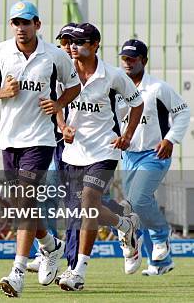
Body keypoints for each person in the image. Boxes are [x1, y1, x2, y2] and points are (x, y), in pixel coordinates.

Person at [0, 1, 81, 297]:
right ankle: (50, 245)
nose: (21, 28)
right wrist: (1, 93)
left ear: (38, 24)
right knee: (24, 204)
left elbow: (74, 87)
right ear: (11, 26)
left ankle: (17, 272)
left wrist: (58, 104)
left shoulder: (55, 56)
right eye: (16, 22)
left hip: (41, 139)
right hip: (9, 139)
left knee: (24, 196)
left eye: (26, 22)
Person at [57, 23, 144, 291]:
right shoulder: (64, 72)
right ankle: (123, 223)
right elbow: (57, 102)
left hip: (105, 149)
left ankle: (78, 271)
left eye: (80, 42)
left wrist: (127, 135)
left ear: (95, 45)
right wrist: (63, 127)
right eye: (71, 42)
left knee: (88, 201)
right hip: (74, 151)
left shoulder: (113, 75)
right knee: (84, 209)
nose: (73, 46)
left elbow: (137, 103)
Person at [118, 39, 190, 276]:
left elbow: (183, 112)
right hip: (129, 156)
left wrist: (170, 139)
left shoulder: (158, 88)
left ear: (144, 61)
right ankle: (160, 262)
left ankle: (162, 235)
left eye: (133, 59)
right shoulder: (117, 89)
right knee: (135, 209)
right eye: (125, 59)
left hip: (155, 154)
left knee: (138, 199)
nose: (128, 63)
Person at [26, 22, 77, 274]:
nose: (68, 47)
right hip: (52, 142)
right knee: (46, 197)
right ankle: (48, 249)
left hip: (80, 147)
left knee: (83, 201)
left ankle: (124, 226)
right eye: (64, 42)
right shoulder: (52, 66)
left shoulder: (90, 75)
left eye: (72, 42)